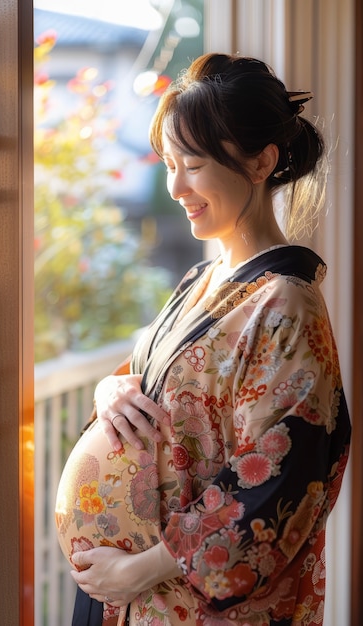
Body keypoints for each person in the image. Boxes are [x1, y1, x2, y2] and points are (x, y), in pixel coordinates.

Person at [55, 53, 351, 626]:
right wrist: (109, 391)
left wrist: (138, 570)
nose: (174, 186)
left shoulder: (283, 302)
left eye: (191, 164)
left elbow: (283, 478)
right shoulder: (202, 279)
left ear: (262, 161)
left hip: (178, 598)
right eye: (168, 163)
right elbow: (144, 377)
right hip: (132, 589)